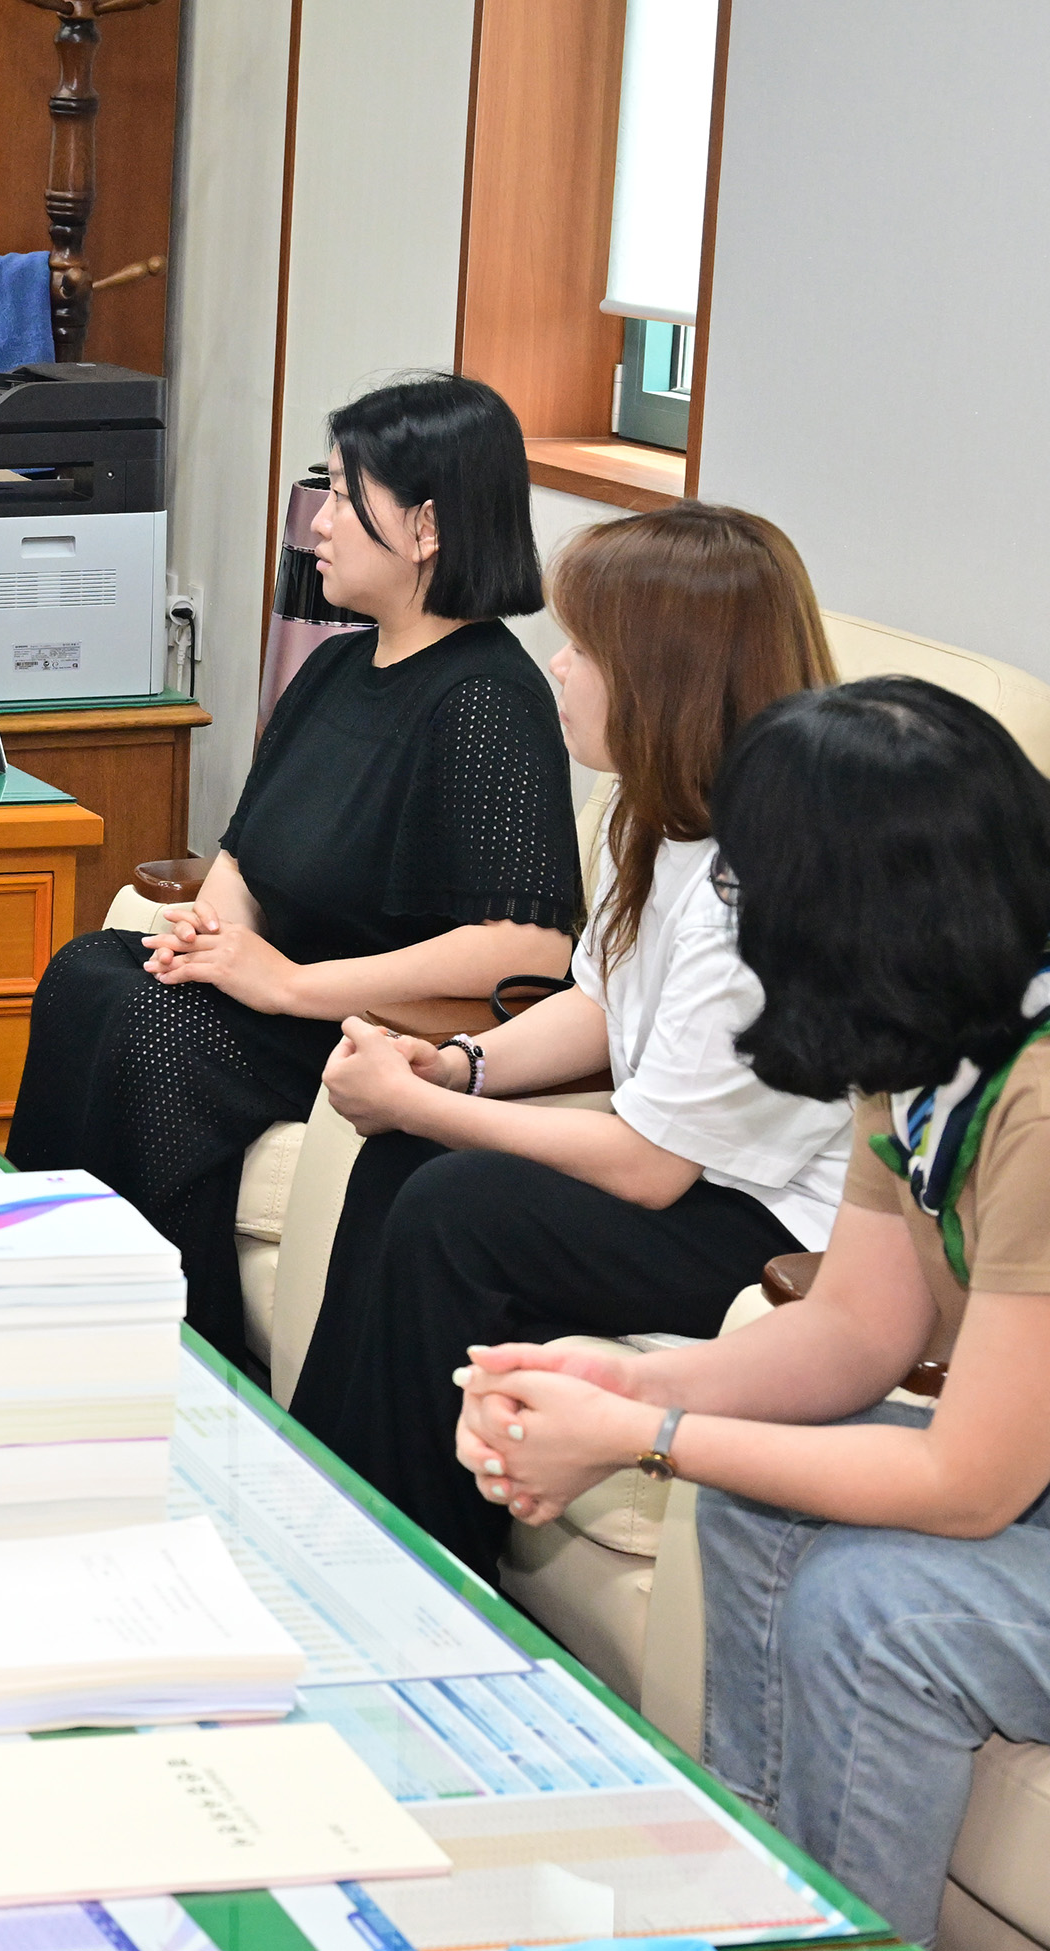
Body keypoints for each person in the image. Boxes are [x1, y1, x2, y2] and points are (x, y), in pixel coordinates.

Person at [457, 678, 1050, 1947]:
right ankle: (763, 1903)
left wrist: (640, 1442)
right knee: (756, 1499)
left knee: (875, 1609)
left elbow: (969, 1484)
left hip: (1016, 1477)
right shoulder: (928, 1037)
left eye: (748, 883)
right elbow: (857, 1334)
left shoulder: (1040, 1104)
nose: (736, 911)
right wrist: (631, 1386)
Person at [287, 504, 850, 1569]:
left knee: (460, 1203)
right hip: (689, 1171)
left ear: (665, 676)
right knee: (405, 1154)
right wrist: (460, 1068)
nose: (556, 663)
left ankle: (413, 1568)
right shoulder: (656, 807)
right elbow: (599, 1001)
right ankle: (326, 1505)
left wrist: (430, 1102)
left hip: (776, 1232)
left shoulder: (764, 884)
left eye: (585, 647)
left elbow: (648, 1168)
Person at [6, 373, 579, 1367]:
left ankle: (176, 1353)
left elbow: (526, 949)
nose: (319, 524)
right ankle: (42, 1300)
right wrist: (204, 933)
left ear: (427, 527)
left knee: (152, 1029)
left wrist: (292, 983)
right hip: (273, 995)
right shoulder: (332, 669)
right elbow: (245, 855)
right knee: (92, 971)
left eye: (347, 496)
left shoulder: (490, 699)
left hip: (367, 1017)